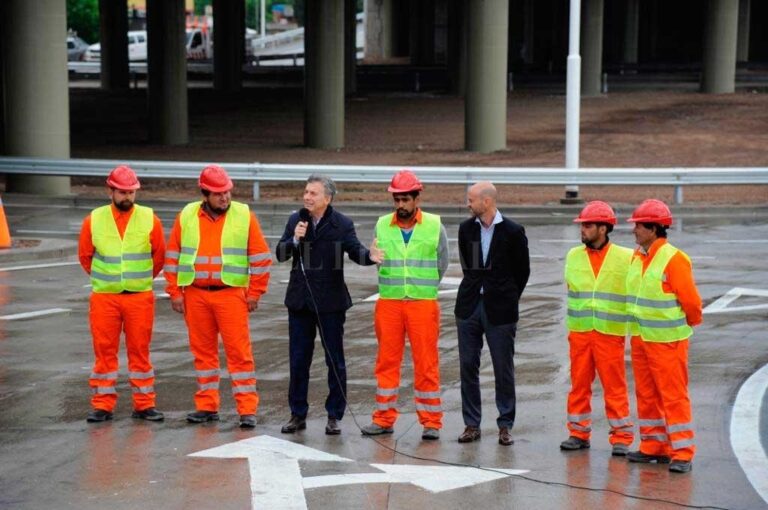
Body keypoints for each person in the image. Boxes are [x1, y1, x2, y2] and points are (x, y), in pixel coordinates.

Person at [164, 165, 272, 429]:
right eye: (218, 194)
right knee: (203, 353)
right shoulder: (187, 215)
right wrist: (175, 292)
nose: (224, 198)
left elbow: (261, 258)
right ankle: (206, 405)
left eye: (227, 192)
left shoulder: (244, 215)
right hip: (196, 294)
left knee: (239, 354)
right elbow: (173, 256)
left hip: (231, 295)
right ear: (205, 194)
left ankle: (247, 409)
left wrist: (255, 292)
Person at [275, 174, 382, 436]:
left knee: (335, 361)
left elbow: (355, 251)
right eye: (306, 192)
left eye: (313, 193)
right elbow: (280, 253)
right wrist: (294, 240)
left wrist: (371, 257)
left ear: (327, 197)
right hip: (300, 303)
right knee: (299, 361)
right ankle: (297, 414)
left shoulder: (341, 224)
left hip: (330, 303)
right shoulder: (295, 220)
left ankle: (334, 415)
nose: (307, 197)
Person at [361, 170, 449, 440]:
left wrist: (424, 286)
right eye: (396, 200)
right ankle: (384, 418)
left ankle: (431, 421)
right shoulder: (381, 225)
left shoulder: (434, 225)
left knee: (426, 363)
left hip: (422, 304)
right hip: (389, 303)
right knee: (386, 362)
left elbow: (442, 263)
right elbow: (376, 258)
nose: (400, 205)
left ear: (416, 198)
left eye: (405, 199)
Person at [78, 165, 165, 423]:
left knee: (140, 351)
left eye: (132, 192)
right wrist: (107, 280)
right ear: (110, 191)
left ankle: (144, 404)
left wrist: (138, 279)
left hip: (139, 296)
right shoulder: (93, 220)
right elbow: (85, 257)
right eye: (123, 192)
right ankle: (102, 405)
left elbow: (158, 256)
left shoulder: (150, 218)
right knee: (104, 351)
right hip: (105, 297)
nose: (128, 196)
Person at [625, 199, 702, 473]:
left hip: (668, 341)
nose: (634, 230)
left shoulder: (673, 258)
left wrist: (690, 323)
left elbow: (691, 302)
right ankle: (653, 446)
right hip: (642, 339)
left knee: (673, 396)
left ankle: (681, 451)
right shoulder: (638, 255)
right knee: (646, 394)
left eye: (638, 225)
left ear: (654, 228)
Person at [454, 182, 529, 446]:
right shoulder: (466, 229)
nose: (468, 204)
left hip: (501, 310)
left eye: (472, 200)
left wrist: (506, 296)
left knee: (502, 367)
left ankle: (505, 424)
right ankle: (472, 424)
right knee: (467, 366)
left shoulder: (513, 231)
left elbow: (522, 272)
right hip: (469, 307)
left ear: (486, 202)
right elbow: (469, 266)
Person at [560, 201, 634, 455]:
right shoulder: (573, 255)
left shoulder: (626, 257)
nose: (583, 230)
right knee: (579, 385)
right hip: (580, 332)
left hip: (609, 333)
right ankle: (578, 433)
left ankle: (622, 436)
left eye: (588, 226)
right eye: (582, 225)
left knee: (615, 387)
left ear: (603, 228)